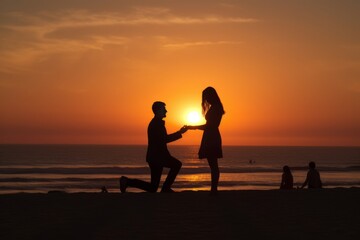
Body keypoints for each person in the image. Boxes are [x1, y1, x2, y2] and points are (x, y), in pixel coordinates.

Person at [119, 101, 187, 193]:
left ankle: (127, 181)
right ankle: (166, 188)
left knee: (153, 187)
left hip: (156, 157)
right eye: (164, 109)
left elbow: (162, 140)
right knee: (177, 165)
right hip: (158, 157)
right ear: (158, 110)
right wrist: (180, 133)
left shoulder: (157, 123)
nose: (166, 111)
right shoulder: (156, 124)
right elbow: (164, 139)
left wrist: (179, 133)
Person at [186, 87, 225, 194]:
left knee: (213, 164)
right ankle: (213, 188)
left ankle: (214, 189)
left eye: (207, 97)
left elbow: (211, 126)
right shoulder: (215, 107)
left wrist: (192, 127)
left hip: (211, 137)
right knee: (213, 164)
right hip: (210, 136)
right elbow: (210, 126)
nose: (206, 100)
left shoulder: (216, 108)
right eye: (205, 98)